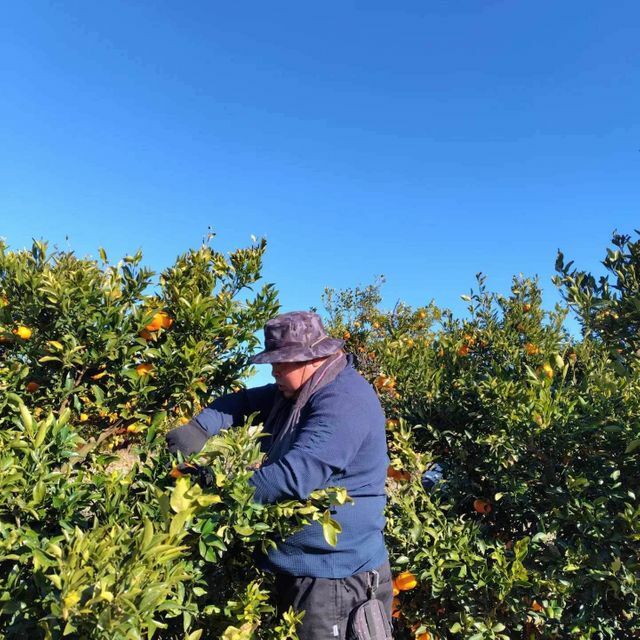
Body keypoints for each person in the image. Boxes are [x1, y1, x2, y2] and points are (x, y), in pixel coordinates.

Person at [166, 311, 393, 639]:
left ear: (312, 357)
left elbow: (292, 477)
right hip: (305, 573)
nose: (273, 371)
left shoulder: (344, 401)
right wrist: (200, 428)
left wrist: (216, 490)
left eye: (280, 363)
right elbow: (243, 401)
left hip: (335, 581)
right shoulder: (298, 390)